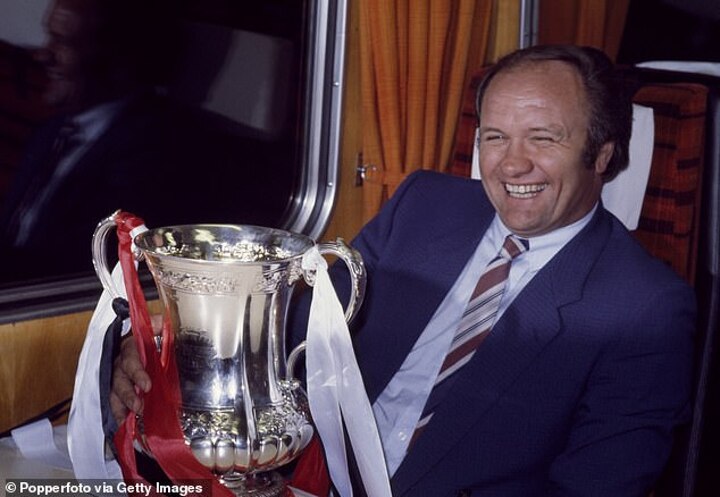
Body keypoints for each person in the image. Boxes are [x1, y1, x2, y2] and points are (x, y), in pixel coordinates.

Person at [110, 45, 696, 496]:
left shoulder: (645, 308)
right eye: (495, 137)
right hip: (299, 474)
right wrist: (177, 357)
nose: (512, 164)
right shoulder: (425, 205)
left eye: (543, 138)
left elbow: (594, 487)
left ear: (602, 153)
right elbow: (291, 330)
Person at [0, 0, 279, 282]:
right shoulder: (56, 128)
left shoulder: (155, 151)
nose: (43, 55)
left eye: (64, 43)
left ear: (117, 60)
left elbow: (83, 265)